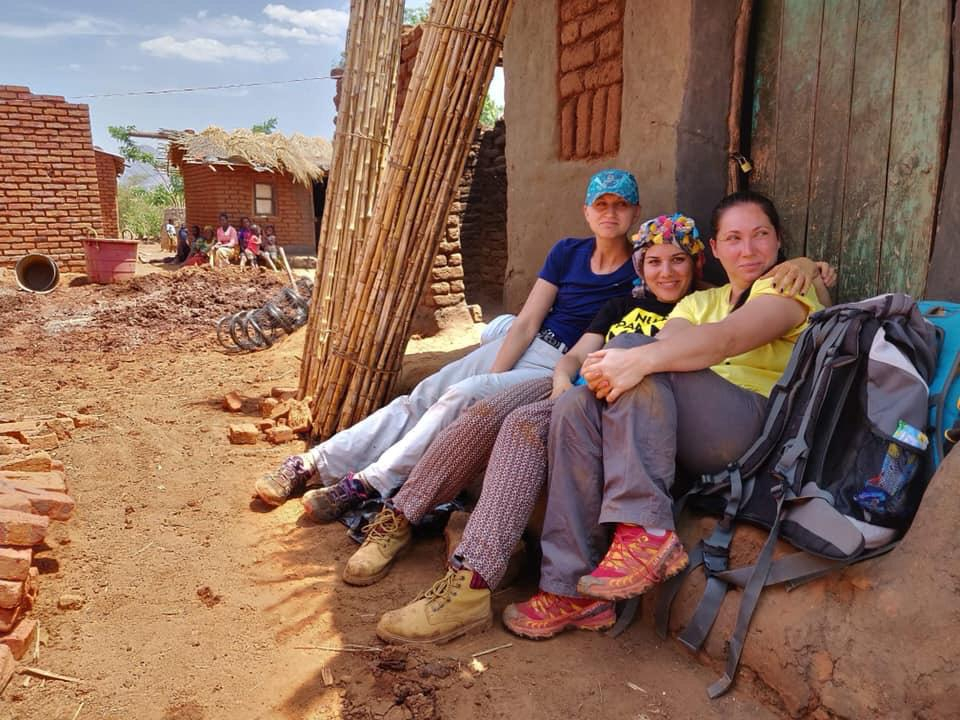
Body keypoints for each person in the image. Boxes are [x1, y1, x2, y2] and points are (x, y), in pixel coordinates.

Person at [368, 211, 826, 644]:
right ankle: (401, 514)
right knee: (488, 409)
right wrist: (567, 379)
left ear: (697, 260)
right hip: (590, 387)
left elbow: (715, 341)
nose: (665, 272)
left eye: (678, 260)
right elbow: (591, 355)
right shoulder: (655, 304)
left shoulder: (742, 296)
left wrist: (808, 266)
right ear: (640, 266)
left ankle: (474, 577)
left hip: (637, 397)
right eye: (653, 261)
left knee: (526, 425)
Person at [496, 190, 829, 640]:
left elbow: (726, 340)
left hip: (755, 428)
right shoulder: (696, 305)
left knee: (638, 356)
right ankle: (570, 590)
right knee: (575, 404)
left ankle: (645, 530)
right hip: (690, 427)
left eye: (759, 235)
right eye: (733, 238)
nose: (747, 250)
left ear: (778, 240)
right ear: (714, 249)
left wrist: (632, 359)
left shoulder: (789, 285)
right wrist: (613, 366)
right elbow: (665, 349)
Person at [253, 169, 645, 521]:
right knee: (422, 395)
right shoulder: (567, 252)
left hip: (558, 365)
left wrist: (488, 388)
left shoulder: (639, 272)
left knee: (459, 396)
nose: (610, 212)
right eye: (601, 204)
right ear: (586, 211)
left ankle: (369, 482)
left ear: (634, 212)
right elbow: (527, 321)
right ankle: (311, 463)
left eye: (621, 204)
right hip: (525, 343)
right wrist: (495, 374)